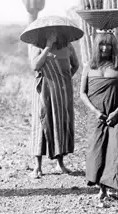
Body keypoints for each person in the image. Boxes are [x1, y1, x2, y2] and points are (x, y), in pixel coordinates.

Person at [80, 31, 118, 207]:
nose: (105, 47)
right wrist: (96, 112)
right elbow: (82, 93)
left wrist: (117, 112)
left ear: (113, 46)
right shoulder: (90, 66)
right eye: (102, 44)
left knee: (116, 150)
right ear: (96, 46)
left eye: (109, 44)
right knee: (98, 151)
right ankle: (102, 189)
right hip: (97, 116)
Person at [29, 31, 80, 178]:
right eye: (49, 32)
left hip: (61, 91)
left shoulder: (67, 46)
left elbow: (75, 65)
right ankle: (37, 167)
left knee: (60, 123)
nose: (53, 34)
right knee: (41, 124)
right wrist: (47, 47)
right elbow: (35, 66)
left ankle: (60, 163)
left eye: (56, 32)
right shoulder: (37, 45)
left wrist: (64, 79)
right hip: (42, 90)